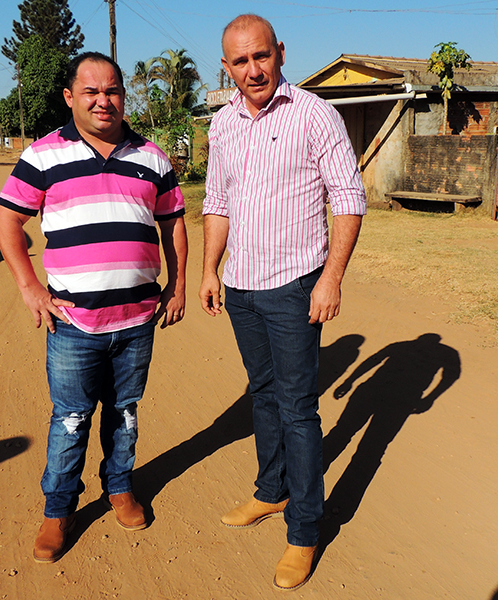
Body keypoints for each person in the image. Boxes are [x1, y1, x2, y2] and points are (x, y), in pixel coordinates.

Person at [0, 51, 187, 563]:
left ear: (124, 95)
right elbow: (5, 222)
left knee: (124, 412)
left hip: (138, 318)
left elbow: (173, 223)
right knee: (73, 417)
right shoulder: (43, 156)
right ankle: (58, 510)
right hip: (73, 322)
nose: (104, 101)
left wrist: (179, 285)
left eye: (113, 91)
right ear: (70, 97)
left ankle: (119, 487)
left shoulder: (153, 157)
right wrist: (31, 288)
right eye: (92, 92)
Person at [199, 14, 366, 591]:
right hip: (242, 285)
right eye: (240, 61)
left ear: (280, 53)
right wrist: (209, 269)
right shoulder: (222, 125)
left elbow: (347, 196)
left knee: (298, 406)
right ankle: (271, 493)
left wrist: (332, 279)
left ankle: (304, 529)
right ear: (226, 68)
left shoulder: (315, 115)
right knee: (263, 395)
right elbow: (217, 200)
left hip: (296, 285)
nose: (253, 69)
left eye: (261, 56)